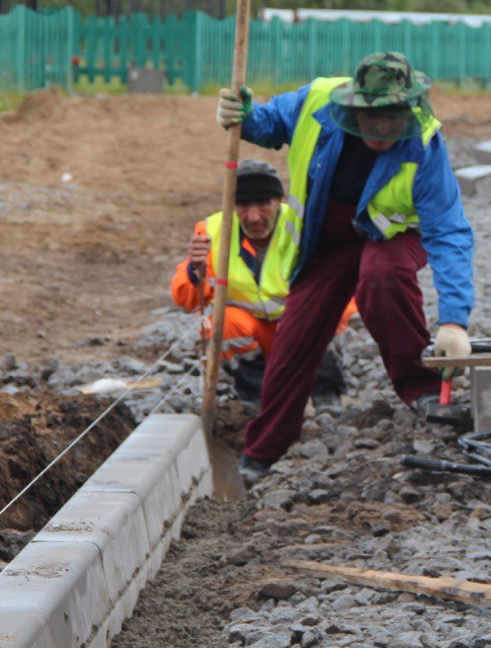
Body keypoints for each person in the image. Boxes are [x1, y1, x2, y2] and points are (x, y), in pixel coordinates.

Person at [216, 52, 474, 485]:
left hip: (393, 240)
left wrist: (454, 321)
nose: (381, 132)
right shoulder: (317, 101)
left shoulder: (424, 144)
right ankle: (263, 449)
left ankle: (422, 389)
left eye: (392, 120)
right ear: (353, 107)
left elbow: (448, 233)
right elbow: (266, 126)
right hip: (329, 240)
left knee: (381, 276)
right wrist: (241, 113)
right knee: (295, 332)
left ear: (407, 110)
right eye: (371, 120)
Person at [170, 159, 352, 405]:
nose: (253, 217)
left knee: (323, 311)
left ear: (279, 201)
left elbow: (341, 286)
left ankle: (324, 393)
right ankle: (255, 399)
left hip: (300, 330)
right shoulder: (213, 231)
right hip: (252, 332)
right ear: (232, 205)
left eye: (263, 204)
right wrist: (196, 270)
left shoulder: (304, 225)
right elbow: (187, 301)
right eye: (243, 205)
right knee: (223, 323)